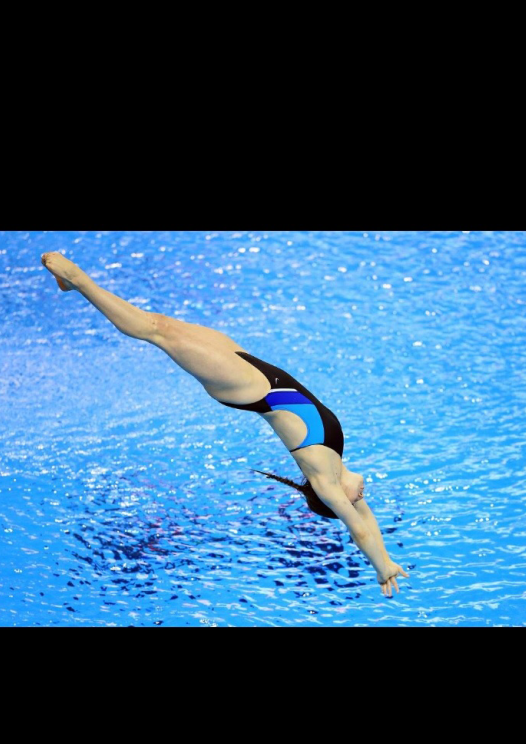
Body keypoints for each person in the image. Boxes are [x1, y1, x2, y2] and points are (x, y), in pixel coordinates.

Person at [41, 252, 409, 598]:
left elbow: (357, 528)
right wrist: (387, 555)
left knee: (155, 330)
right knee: (163, 325)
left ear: (340, 500)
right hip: (247, 363)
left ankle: (77, 278)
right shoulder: (337, 463)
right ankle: (76, 287)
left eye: (356, 502)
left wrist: (380, 568)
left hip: (243, 384)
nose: (365, 500)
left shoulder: (326, 481)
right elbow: (367, 521)